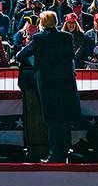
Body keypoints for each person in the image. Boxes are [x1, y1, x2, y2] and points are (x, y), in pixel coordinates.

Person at [16, 11, 80, 163]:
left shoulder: (39, 38)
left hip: (47, 85)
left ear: (42, 23)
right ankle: (64, 152)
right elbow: (71, 56)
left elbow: (20, 56)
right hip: (65, 83)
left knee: (52, 120)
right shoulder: (66, 37)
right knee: (64, 119)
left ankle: (55, 155)